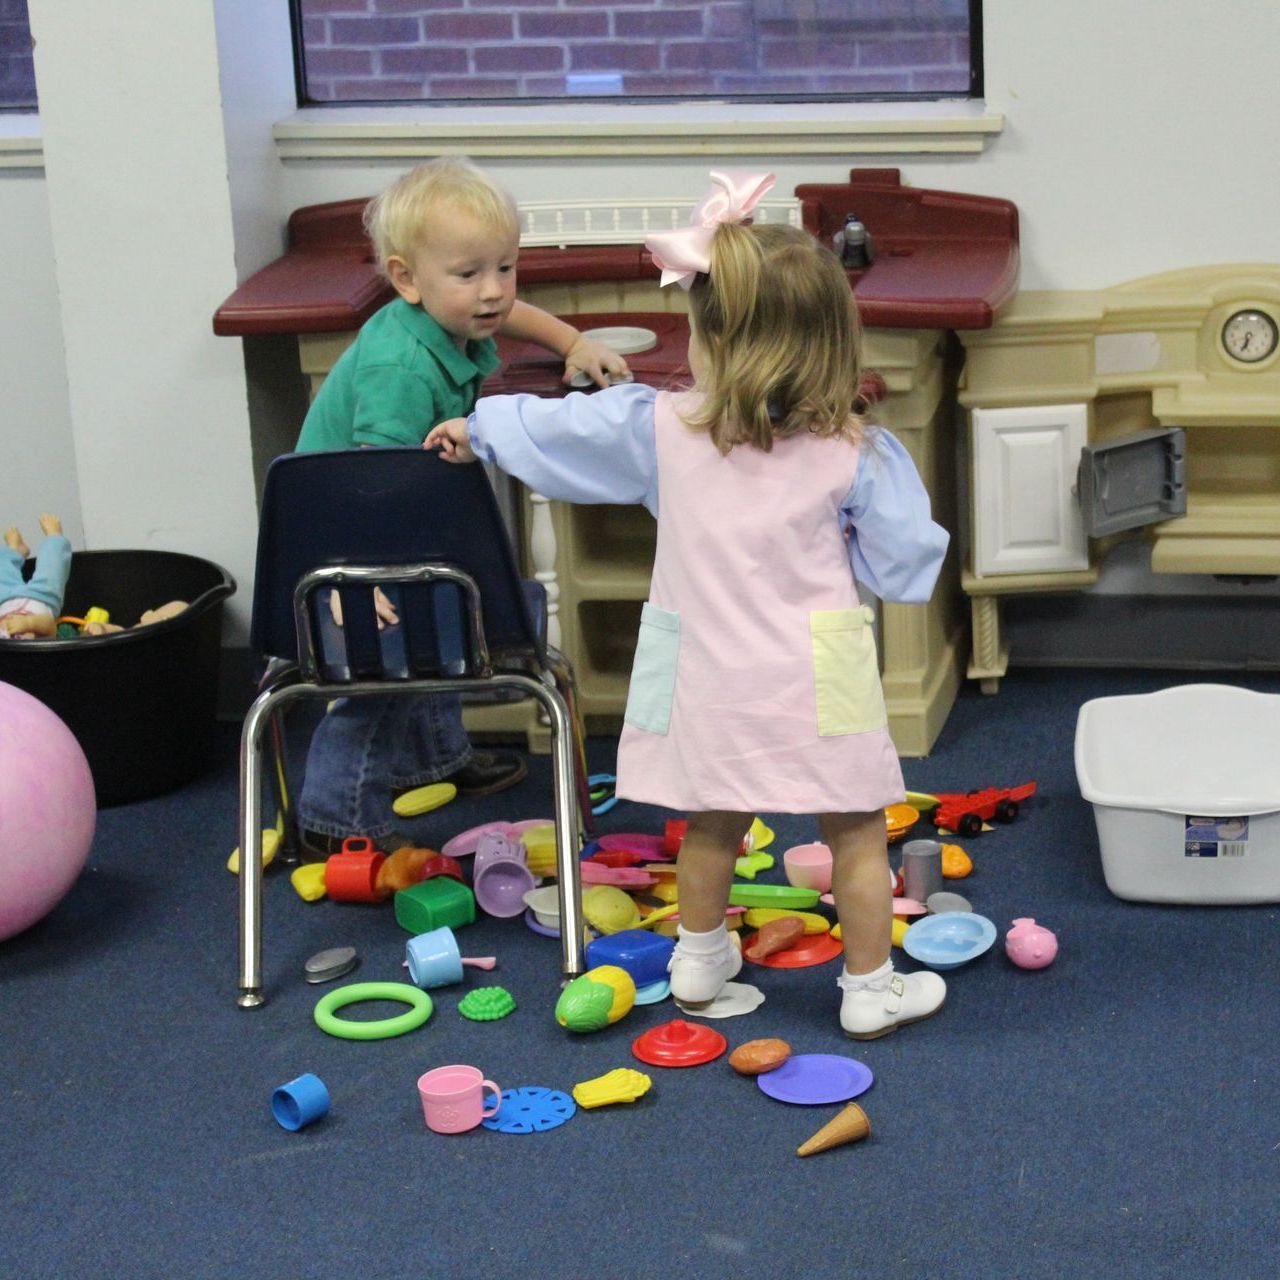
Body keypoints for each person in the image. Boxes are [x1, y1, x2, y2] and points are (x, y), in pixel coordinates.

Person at [426, 170, 951, 1039]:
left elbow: (552, 431)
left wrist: (475, 429)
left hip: (706, 673)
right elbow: (904, 569)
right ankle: (869, 989)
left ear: (707, 331)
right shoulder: (856, 452)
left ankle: (700, 965)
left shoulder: (659, 428)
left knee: (710, 824)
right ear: (831, 341)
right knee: (857, 832)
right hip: (818, 677)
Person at [294, 156, 630, 856]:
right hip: (345, 551)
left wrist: (573, 342)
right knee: (382, 667)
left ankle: (437, 760)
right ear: (406, 278)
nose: (494, 291)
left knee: (442, 609)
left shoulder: (449, 318)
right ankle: (333, 815)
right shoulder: (399, 367)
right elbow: (370, 482)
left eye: (505, 267)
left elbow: (509, 316)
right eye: (470, 274)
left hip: (394, 523)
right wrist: (370, 578)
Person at [1, 515, 71, 639]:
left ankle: (14, 550)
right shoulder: (34, 646)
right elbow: (51, 627)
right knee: (51, 568)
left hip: (4, 599)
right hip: (41, 597)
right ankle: (54, 537)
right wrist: (29, 623)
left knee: (2, 571)